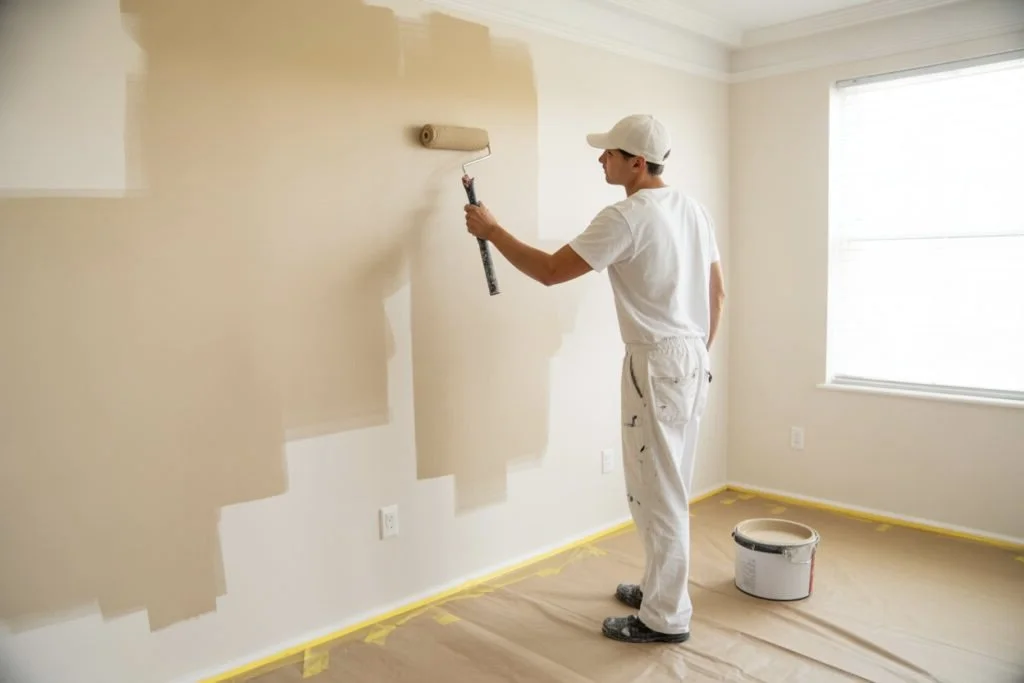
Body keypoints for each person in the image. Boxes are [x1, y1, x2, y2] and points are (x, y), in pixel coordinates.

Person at [463, 113, 725, 644]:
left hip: (660, 360)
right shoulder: (692, 209)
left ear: (636, 161)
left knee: (661, 491)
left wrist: (493, 231)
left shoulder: (627, 216)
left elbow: (551, 271)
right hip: (689, 355)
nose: (600, 159)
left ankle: (666, 617)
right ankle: (659, 588)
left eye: (609, 153)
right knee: (656, 484)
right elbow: (718, 291)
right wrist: (693, 356)